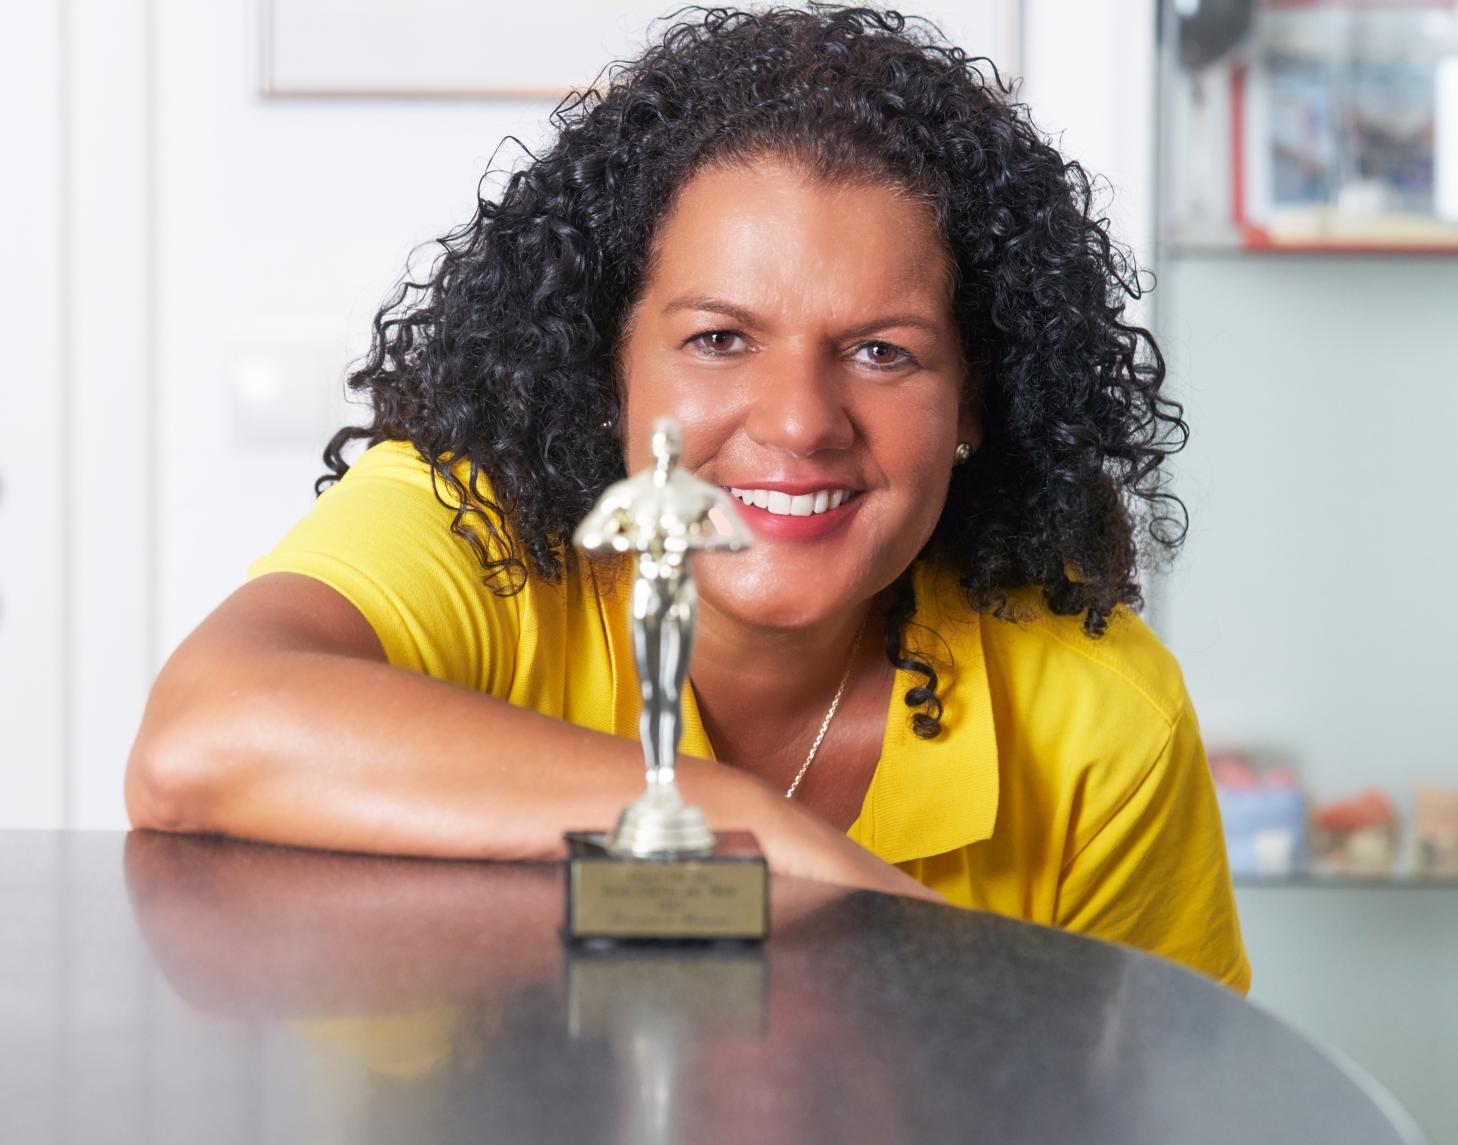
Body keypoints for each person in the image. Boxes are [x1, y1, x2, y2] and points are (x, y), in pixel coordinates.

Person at [126, 4, 1250, 994]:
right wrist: (731, 822)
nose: (799, 420)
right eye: (718, 339)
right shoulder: (467, 529)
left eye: (881, 351)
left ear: (974, 402)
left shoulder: (1099, 724)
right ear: (607, 365)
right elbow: (201, 739)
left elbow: (1149, 1132)